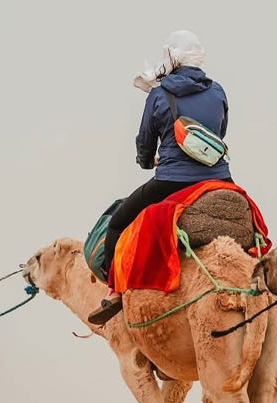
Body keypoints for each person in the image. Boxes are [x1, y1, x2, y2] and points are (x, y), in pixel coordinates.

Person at [88, 30, 232, 325]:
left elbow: (145, 143)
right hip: (219, 177)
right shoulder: (218, 91)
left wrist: (146, 162)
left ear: (171, 58)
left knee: (117, 224)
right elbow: (220, 132)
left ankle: (115, 293)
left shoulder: (159, 94)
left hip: (172, 179)